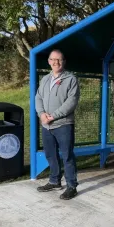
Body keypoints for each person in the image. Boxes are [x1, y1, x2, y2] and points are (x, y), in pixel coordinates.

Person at [35, 49, 80, 200]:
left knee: (67, 156)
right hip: (46, 125)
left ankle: (71, 186)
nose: (56, 62)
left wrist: (53, 116)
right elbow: (38, 98)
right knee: (50, 154)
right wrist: (42, 114)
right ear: (49, 61)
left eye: (59, 59)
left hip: (63, 124)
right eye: (53, 59)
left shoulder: (71, 79)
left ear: (64, 61)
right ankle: (54, 181)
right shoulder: (45, 79)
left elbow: (71, 102)